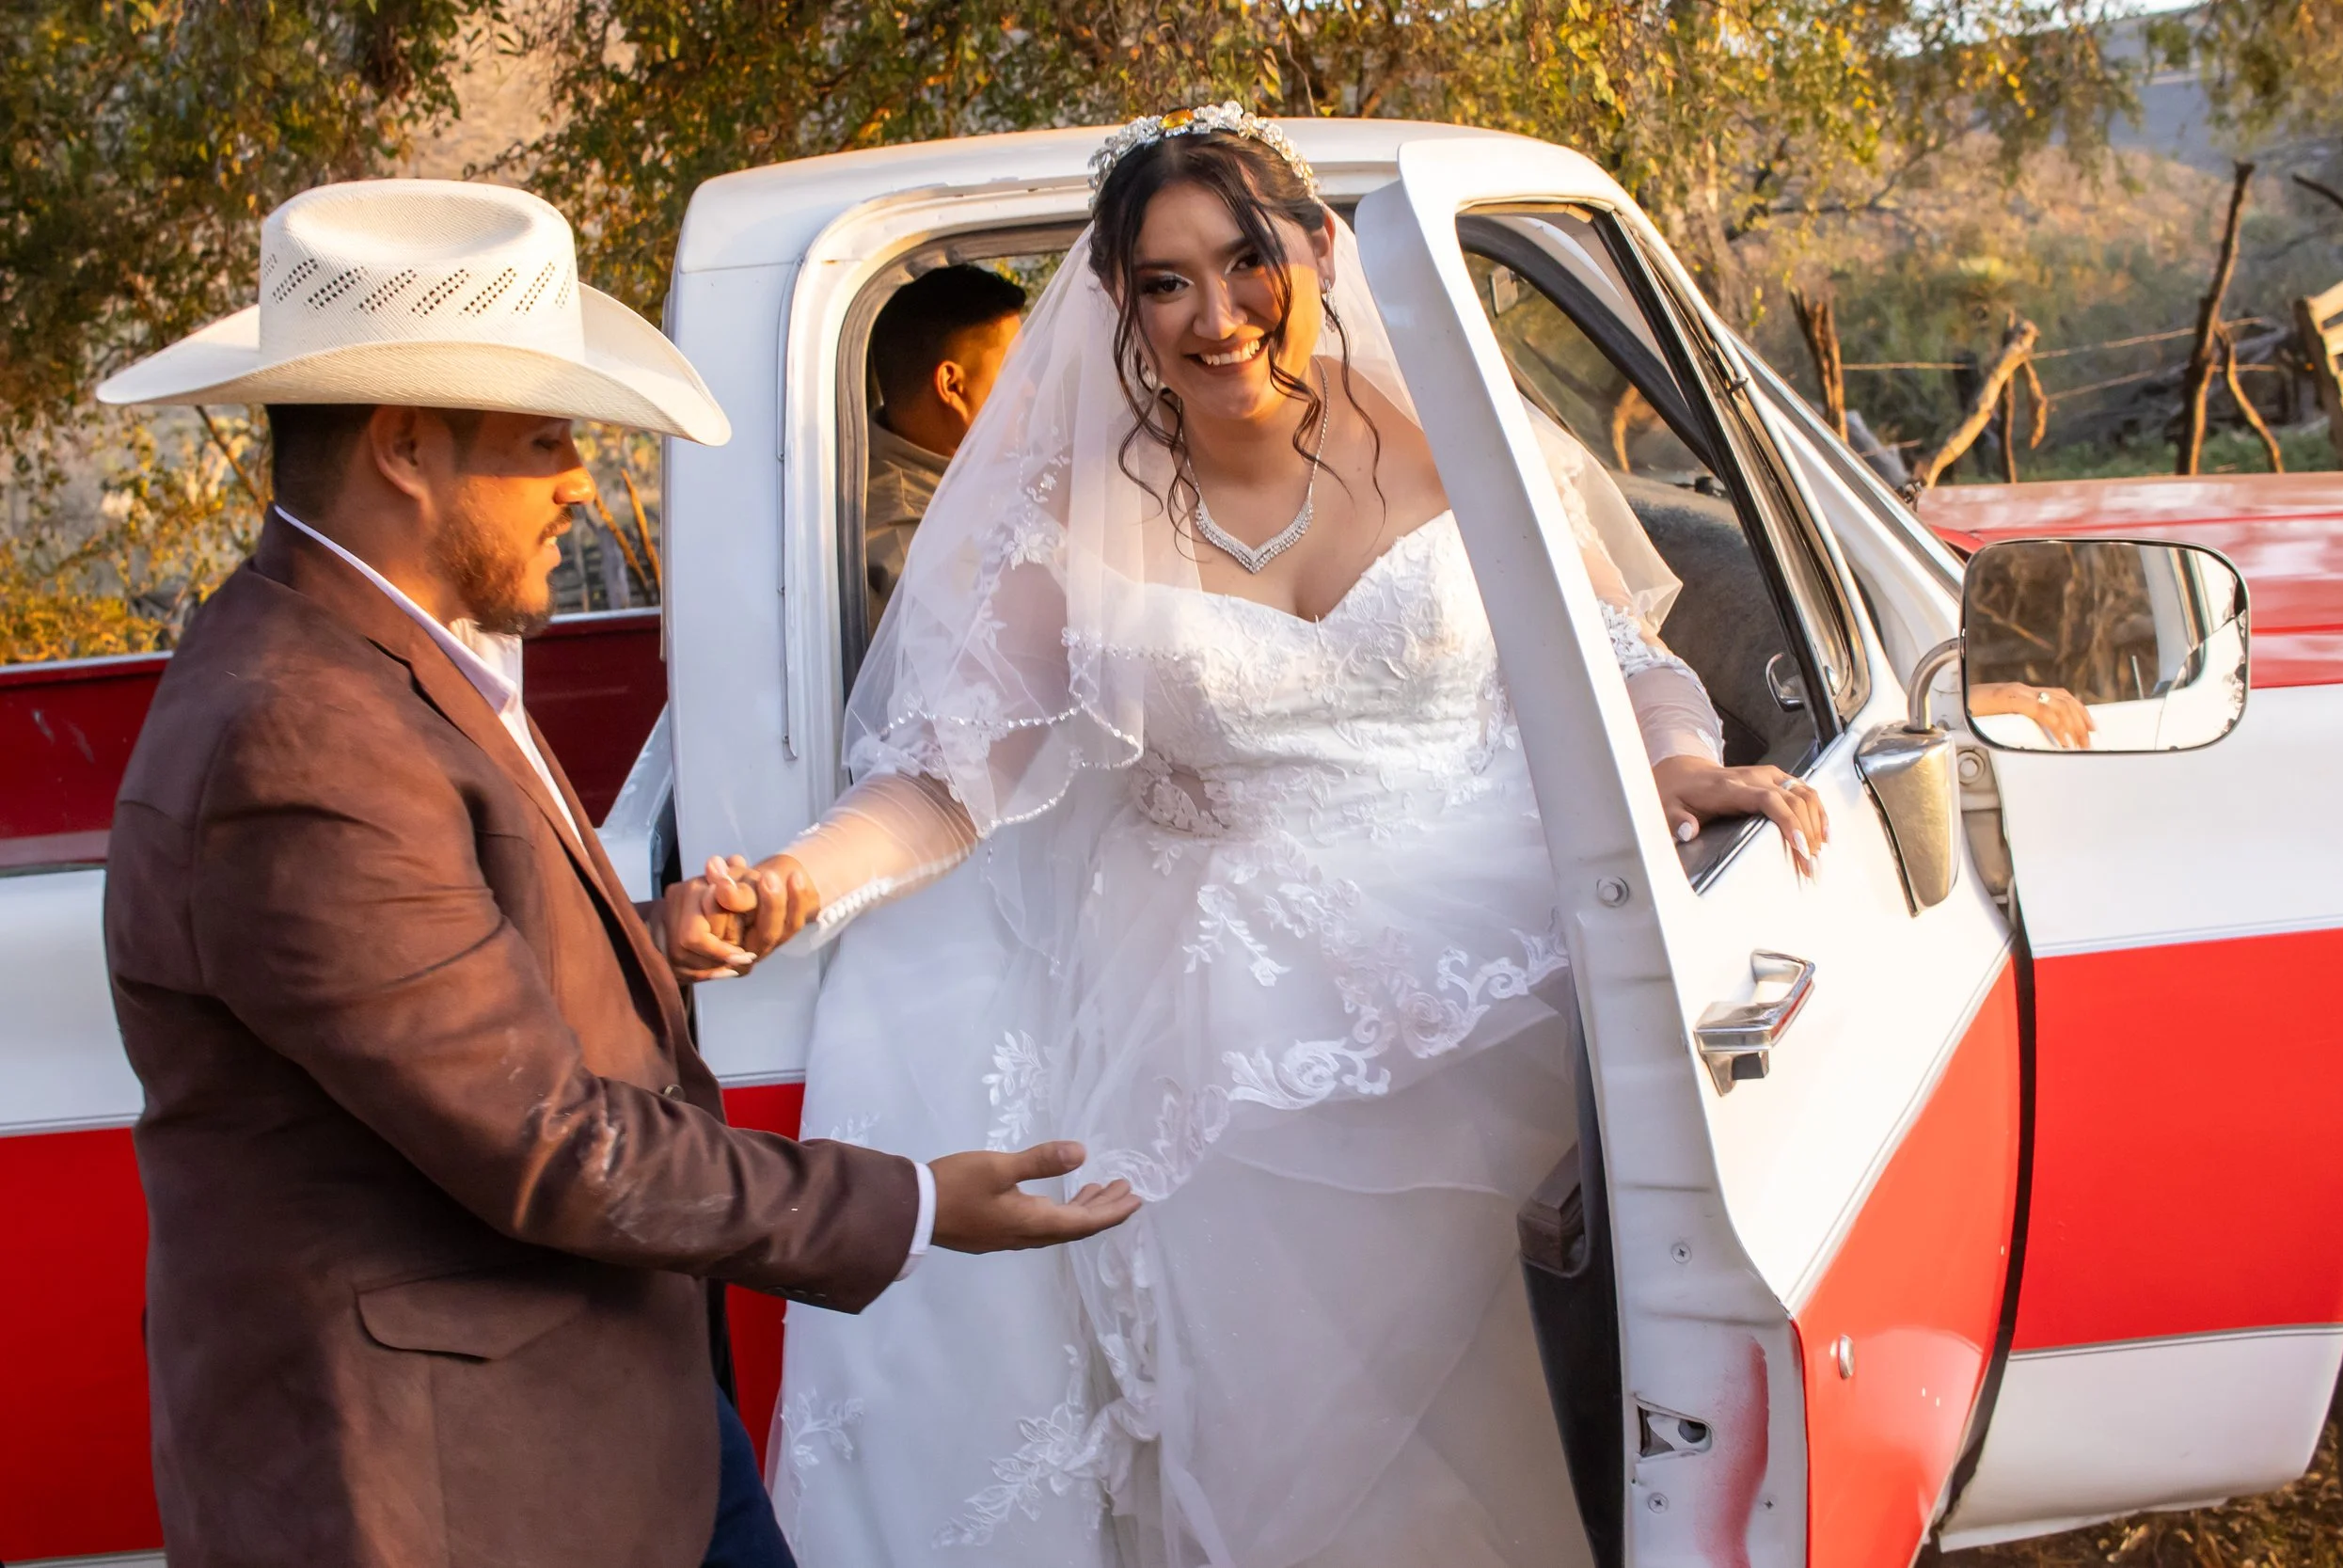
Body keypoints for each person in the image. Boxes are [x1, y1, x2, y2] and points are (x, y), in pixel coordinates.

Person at [671, 107, 1828, 1567]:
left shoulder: (1461, 439)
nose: (1214, 318)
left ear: (1320, 251)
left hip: (1513, 975)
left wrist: (1681, 761)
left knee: (1594, 1400)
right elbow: (945, 786)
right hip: (1242, 1046)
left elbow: (1622, 656)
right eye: (1164, 282)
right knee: (1306, 1472)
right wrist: (792, 882)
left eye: (1244, 261)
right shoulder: (1070, 518)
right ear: (1119, 303)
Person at [95, 179, 1137, 1568]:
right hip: (463, 1471)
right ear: (406, 448)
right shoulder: (301, 730)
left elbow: (431, 979)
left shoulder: (368, 654)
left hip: (597, 1401)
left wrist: (641, 936)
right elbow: (542, 1139)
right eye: (545, 440)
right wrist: (922, 1203)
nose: (583, 480)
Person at [863, 263, 1027, 625]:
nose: (1030, 391)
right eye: (1016, 371)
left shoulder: (961, 471)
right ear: (952, 387)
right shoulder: (909, 547)